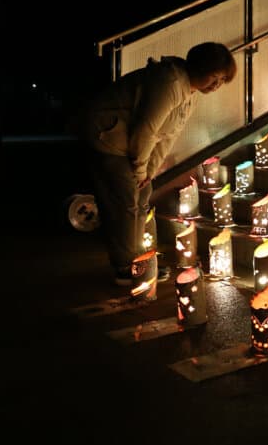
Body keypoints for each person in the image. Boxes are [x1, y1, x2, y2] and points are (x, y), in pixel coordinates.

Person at [79, 42, 236, 286]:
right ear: (200, 67)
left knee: (143, 195)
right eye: (214, 77)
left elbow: (168, 135)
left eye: (222, 80)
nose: (216, 85)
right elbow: (147, 129)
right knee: (125, 201)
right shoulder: (170, 82)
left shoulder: (190, 94)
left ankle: (136, 260)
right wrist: (140, 168)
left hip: (127, 142)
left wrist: (149, 171)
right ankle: (124, 267)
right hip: (108, 137)